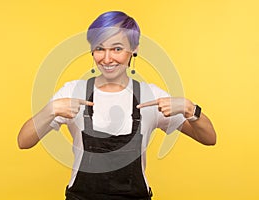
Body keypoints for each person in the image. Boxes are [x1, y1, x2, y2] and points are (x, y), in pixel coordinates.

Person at [18, 11, 216, 200]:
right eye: (99, 49)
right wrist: (50, 110)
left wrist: (191, 109)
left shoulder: (150, 95)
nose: (107, 58)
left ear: (134, 49)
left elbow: (208, 138)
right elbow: (23, 141)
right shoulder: (72, 91)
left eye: (117, 49)